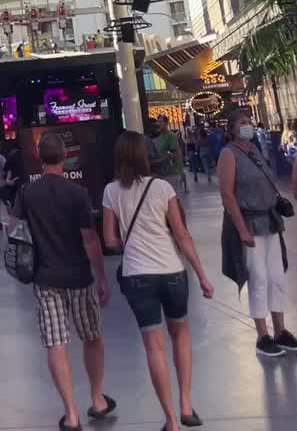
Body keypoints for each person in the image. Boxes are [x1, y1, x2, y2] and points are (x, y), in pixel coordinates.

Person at [103, 131, 213, 431]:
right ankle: (186, 404)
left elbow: (110, 240)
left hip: (138, 276)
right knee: (181, 334)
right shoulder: (163, 187)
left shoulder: (111, 192)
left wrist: (128, 240)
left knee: (154, 347)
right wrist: (202, 275)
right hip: (172, 272)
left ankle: (170, 421)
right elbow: (181, 234)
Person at [16, 131, 114, 431]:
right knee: (91, 335)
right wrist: (101, 276)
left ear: (39, 156)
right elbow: (90, 239)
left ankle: (70, 413)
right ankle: (97, 399)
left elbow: (16, 230)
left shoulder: (26, 193)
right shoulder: (77, 193)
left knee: (55, 344)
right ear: (65, 155)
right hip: (79, 276)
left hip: (45, 279)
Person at [218, 105, 297, 358]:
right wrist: (241, 228)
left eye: (249, 120)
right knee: (259, 279)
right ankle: (262, 335)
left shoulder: (253, 150)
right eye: (242, 122)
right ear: (232, 129)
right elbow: (227, 194)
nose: (248, 125)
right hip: (250, 223)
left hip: (270, 221)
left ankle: (281, 330)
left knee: (276, 276)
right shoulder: (228, 154)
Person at [156, 116, 185, 193]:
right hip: (162, 172)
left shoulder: (171, 136)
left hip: (172, 171)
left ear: (166, 123)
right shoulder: (159, 137)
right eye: (158, 122)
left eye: (160, 122)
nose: (159, 124)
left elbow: (174, 153)